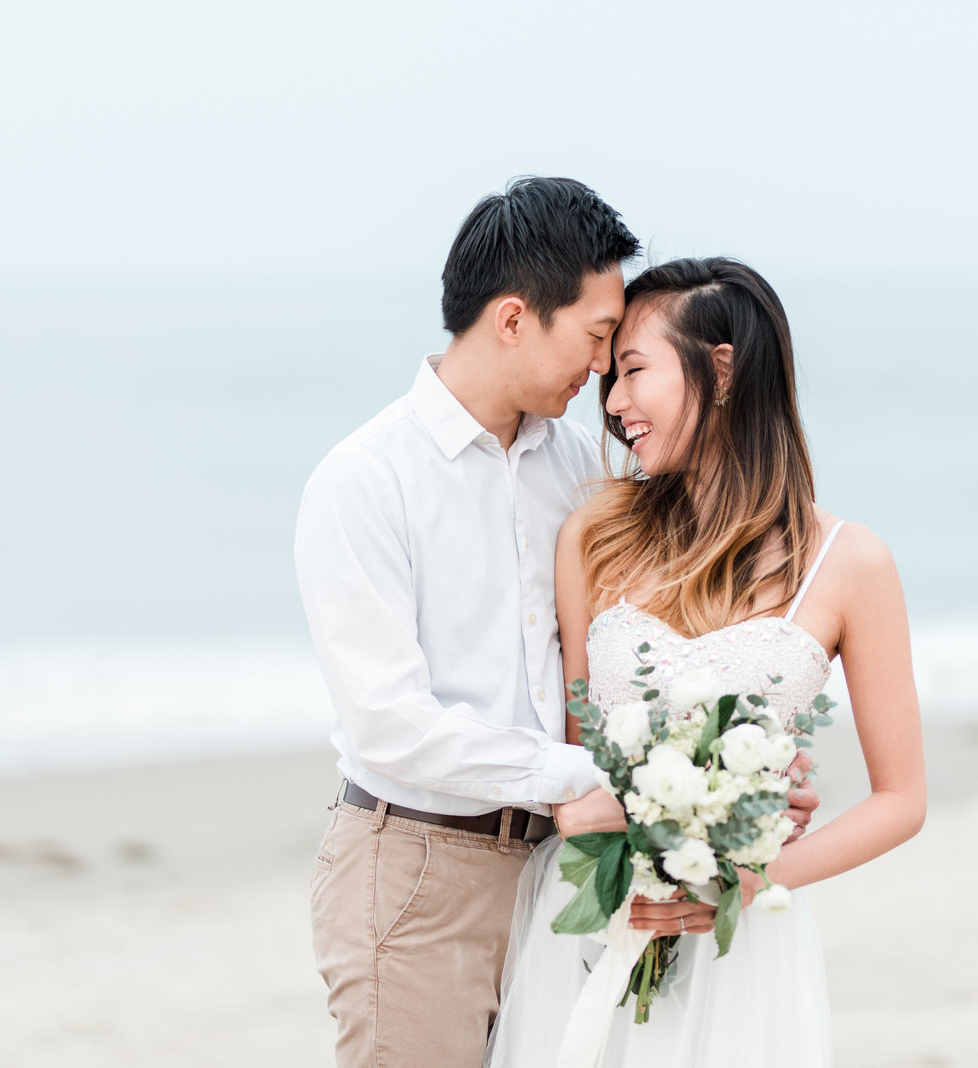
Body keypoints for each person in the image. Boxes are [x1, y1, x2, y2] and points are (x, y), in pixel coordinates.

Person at [294, 180, 822, 1068]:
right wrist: (578, 777)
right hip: (424, 868)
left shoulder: (584, 471)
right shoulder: (365, 482)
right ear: (512, 318)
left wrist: (750, 775)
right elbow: (387, 721)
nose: (607, 368)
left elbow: (671, 634)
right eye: (597, 336)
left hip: (572, 873)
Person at [485, 257, 927, 1066]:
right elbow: (578, 765)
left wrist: (748, 874)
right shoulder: (594, 535)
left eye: (633, 371)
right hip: (596, 917)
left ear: (721, 369)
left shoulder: (851, 564)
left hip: (741, 952)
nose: (613, 406)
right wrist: (615, 812)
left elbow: (901, 800)